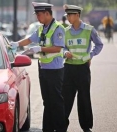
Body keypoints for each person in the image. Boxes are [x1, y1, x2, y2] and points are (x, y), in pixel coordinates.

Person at [10, 2, 66, 132]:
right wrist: (16, 44)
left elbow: (58, 47)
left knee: (56, 101)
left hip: (55, 70)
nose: (37, 17)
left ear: (47, 13)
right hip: (43, 68)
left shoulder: (58, 28)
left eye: (39, 14)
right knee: (47, 101)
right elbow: (30, 39)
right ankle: (48, 128)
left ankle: (61, 129)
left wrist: (40, 48)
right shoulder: (42, 28)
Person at [62, 4, 104, 132]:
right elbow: (61, 47)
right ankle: (62, 126)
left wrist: (90, 55)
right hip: (68, 68)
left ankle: (86, 127)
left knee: (84, 97)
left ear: (77, 15)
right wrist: (64, 53)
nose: (68, 17)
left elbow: (99, 44)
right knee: (66, 97)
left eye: (70, 15)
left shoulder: (89, 30)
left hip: (82, 68)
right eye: (67, 15)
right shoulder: (65, 31)